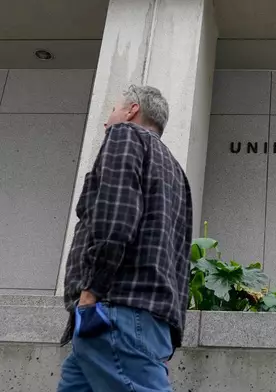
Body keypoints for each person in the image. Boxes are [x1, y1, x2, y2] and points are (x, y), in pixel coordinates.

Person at [57, 85, 193, 392]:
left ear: (132, 110)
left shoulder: (123, 136)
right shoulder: (176, 171)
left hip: (114, 308)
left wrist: (92, 292)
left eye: (112, 110)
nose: (107, 121)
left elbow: (116, 220)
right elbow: (181, 255)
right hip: (148, 316)